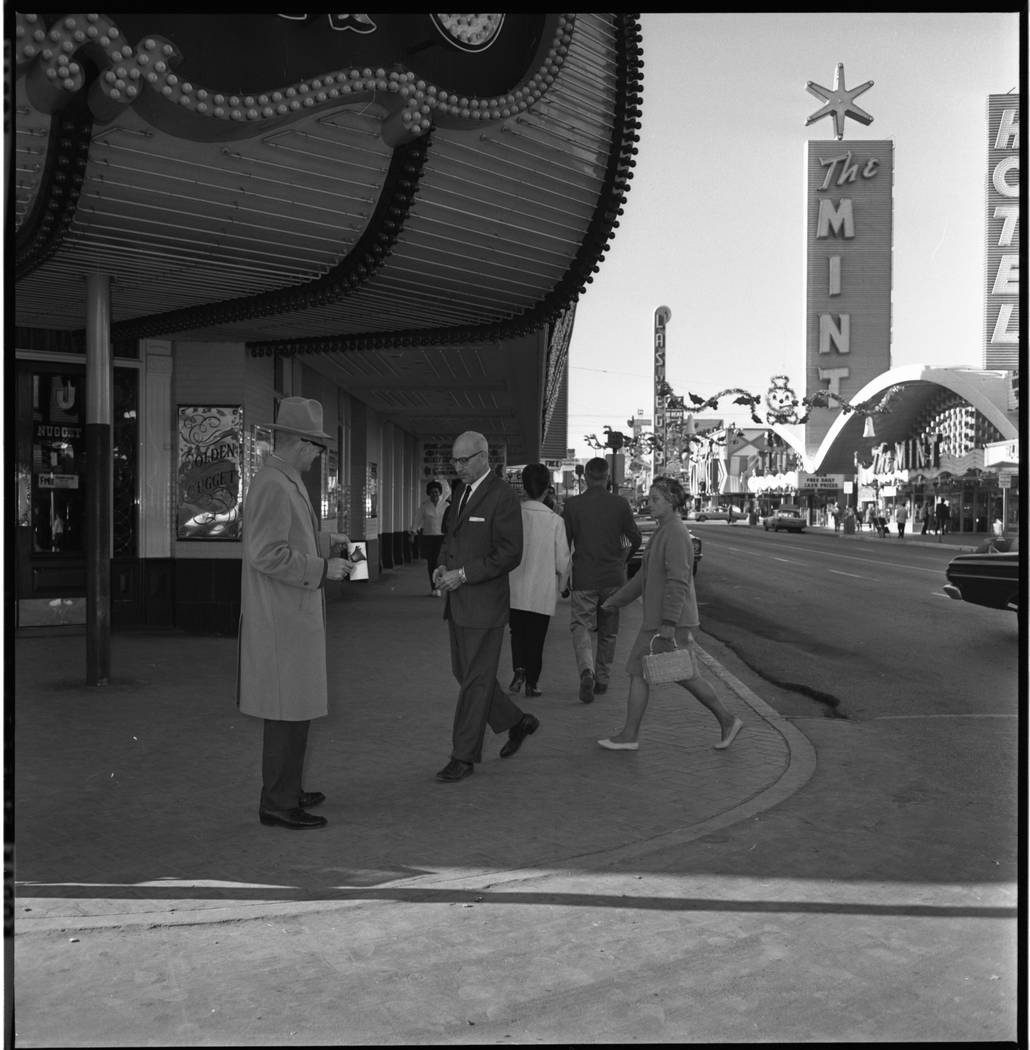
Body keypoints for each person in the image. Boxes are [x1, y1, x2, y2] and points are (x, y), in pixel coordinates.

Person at [236, 397, 354, 830]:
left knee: (295, 708)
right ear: (302, 444)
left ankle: (287, 788)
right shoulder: (274, 483)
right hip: (282, 619)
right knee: (286, 711)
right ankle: (278, 801)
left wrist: (326, 545)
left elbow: (287, 543)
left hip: (290, 616)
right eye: (318, 446)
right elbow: (265, 554)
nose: (319, 455)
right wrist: (323, 568)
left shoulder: (284, 480)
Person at [597, 476, 743, 752]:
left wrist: (667, 622)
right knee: (666, 674)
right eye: (650, 498)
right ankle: (725, 720)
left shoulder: (674, 532)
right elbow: (644, 577)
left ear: (672, 502)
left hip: (667, 622)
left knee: (670, 674)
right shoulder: (665, 530)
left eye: (656, 499)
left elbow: (677, 581)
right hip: (662, 620)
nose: (649, 503)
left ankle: (726, 720)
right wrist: (616, 601)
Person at [431, 431, 538, 782]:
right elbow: (454, 537)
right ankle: (516, 721)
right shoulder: (462, 491)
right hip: (459, 601)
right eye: (454, 461)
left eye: (463, 460)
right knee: (465, 673)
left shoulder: (503, 496)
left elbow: (510, 553)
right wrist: (444, 565)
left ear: (483, 457)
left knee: (475, 682)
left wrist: (462, 574)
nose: (457, 467)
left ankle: (463, 756)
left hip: (484, 605)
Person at [562, 457, 641, 703]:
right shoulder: (620, 504)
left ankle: (587, 670)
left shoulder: (572, 505)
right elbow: (635, 538)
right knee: (608, 631)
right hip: (613, 578)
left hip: (584, 576)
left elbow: (564, 546)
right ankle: (603, 680)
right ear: (608, 477)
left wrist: (564, 579)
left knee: (581, 626)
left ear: (585, 477)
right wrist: (623, 558)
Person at [507, 464, 571, 697]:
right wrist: (563, 586)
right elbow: (563, 560)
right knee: (537, 638)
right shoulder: (555, 521)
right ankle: (532, 683)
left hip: (513, 587)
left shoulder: (512, 516)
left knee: (517, 633)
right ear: (547, 489)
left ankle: (519, 669)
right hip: (542, 591)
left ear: (523, 487)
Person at [410, 480, 449, 595]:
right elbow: (417, 520)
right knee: (432, 563)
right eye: (432, 492)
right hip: (429, 538)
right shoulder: (424, 506)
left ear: (440, 493)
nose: (434, 495)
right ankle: (434, 588)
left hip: (443, 538)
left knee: (441, 563)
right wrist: (413, 533)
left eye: (436, 492)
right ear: (428, 493)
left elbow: (451, 522)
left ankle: (440, 586)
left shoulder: (447, 505)